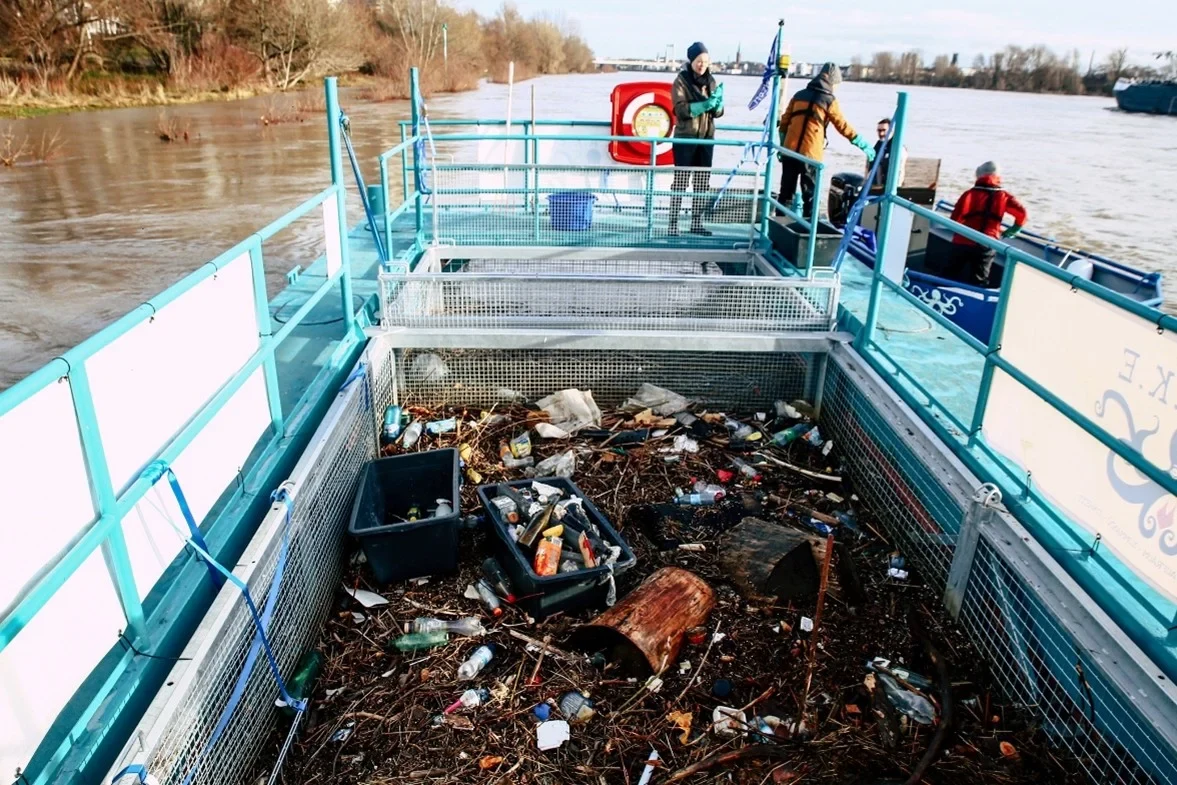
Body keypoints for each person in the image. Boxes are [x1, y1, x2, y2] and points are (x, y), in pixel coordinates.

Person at [777, 62, 874, 218]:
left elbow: (784, 122)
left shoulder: (799, 95)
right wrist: (862, 144)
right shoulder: (829, 100)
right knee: (810, 195)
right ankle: (809, 229)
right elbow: (842, 126)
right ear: (833, 82)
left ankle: (778, 222)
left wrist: (782, 145)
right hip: (810, 155)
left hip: (790, 152)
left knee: (785, 192)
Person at [669, 41, 724, 236]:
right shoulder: (681, 81)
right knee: (681, 182)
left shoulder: (711, 82)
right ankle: (673, 224)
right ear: (692, 60)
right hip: (686, 137)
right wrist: (703, 105)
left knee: (702, 183)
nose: (703, 65)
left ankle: (697, 223)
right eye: (699, 60)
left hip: (707, 138)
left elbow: (718, 113)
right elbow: (680, 110)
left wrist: (717, 106)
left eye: (706, 61)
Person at [948, 161, 1028, 286]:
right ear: (998, 177)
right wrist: (1015, 228)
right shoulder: (1004, 196)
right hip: (987, 243)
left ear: (978, 176)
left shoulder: (969, 194)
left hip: (963, 240)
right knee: (979, 279)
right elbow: (1021, 213)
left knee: (950, 272)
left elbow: (955, 219)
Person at [866, 117, 906, 189]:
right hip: (876, 185)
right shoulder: (877, 147)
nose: (881, 133)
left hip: (891, 187)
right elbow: (868, 166)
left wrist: (897, 187)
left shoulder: (897, 148)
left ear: (891, 131)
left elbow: (900, 170)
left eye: (884, 130)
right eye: (879, 130)